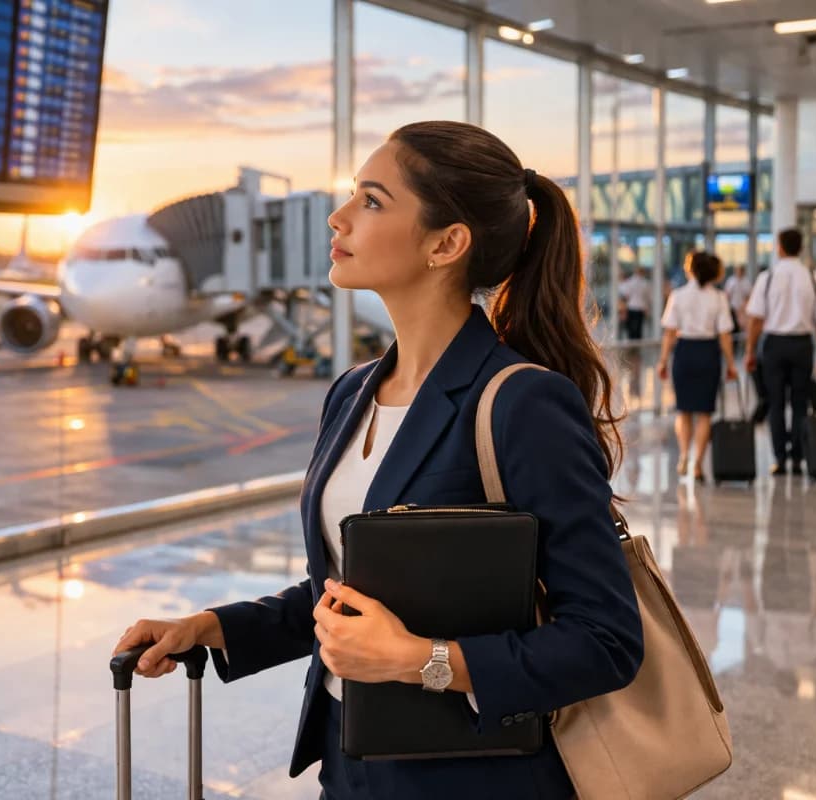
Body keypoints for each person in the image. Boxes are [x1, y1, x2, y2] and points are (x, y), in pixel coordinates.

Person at [111, 121, 643, 800]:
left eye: (371, 200)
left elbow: (606, 639)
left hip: (471, 779)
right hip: (352, 756)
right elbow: (354, 591)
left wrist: (424, 662)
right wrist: (215, 627)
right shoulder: (353, 391)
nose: (338, 217)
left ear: (447, 243)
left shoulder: (522, 403)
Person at [744, 228, 816, 476]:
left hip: (774, 345)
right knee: (799, 402)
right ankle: (797, 458)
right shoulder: (813, 279)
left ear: (780, 247)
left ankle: (779, 459)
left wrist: (750, 350)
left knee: (775, 403)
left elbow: (755, 320)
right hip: (803, 345)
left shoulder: (768, 277)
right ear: (801, 248)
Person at [656, 252, 738, 482]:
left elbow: (670, 332)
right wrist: (731, 364)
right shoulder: (719, 298)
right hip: (708, 353)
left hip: (685, 352)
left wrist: (662, 361)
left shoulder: (678, 295)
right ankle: (698, 464)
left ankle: (683, 455)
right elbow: (724, 335)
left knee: (684, 410)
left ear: (691, 269)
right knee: (704, 412)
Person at [618, 266, 651, 341]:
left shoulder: (629, 282)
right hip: (640, 308)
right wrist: (647, 308)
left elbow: (625, 295)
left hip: (631, 307)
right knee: (638, 329)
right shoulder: (645, 283)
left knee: (631, 329)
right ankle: (637, 347)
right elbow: (647, 298)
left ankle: (631, 345)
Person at [723, 264, 754, 337]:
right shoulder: (731, 281)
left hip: (743, 309)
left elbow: (749, 296)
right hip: (732, 308)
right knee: (733, 327)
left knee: (744, 328)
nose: (738, 272)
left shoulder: (746, 282)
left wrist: (743, 307)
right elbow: (727, 295)